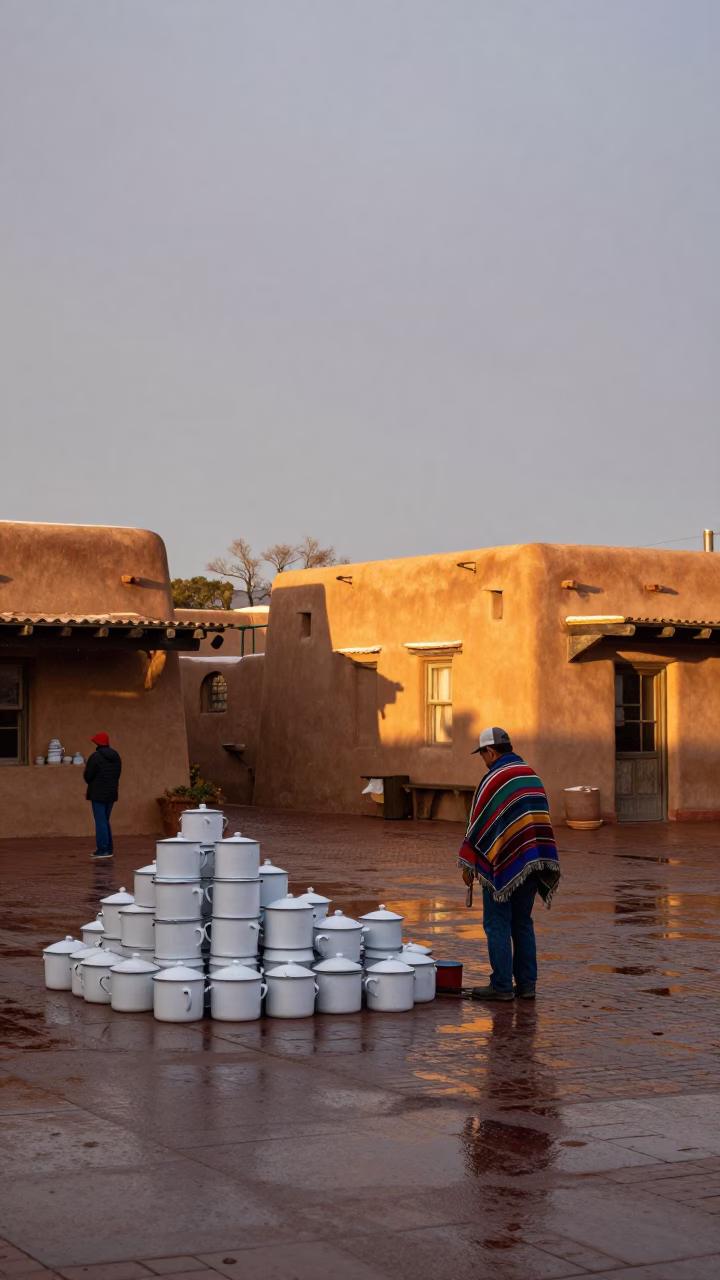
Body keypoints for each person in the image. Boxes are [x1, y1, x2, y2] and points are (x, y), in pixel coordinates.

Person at [458, 727, 561, 1001]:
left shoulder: (493, 780)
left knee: (497, 922)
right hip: (531, 859)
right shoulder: (531, 775)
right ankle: (527, 985)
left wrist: (471, 864)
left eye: (482, 754)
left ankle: (501, 986)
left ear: (491, 751)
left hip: (501, 866)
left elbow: (479, 827)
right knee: (522, 922)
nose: (483, 760)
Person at [83, 732, 122, 860]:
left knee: (100, 822)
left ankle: (103, 850)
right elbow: (117, 774)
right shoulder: (116, 756)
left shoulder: (95, 757)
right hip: (111, 793)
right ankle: (108, 848)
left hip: (98, 793)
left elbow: (88, 776)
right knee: (105, 821)